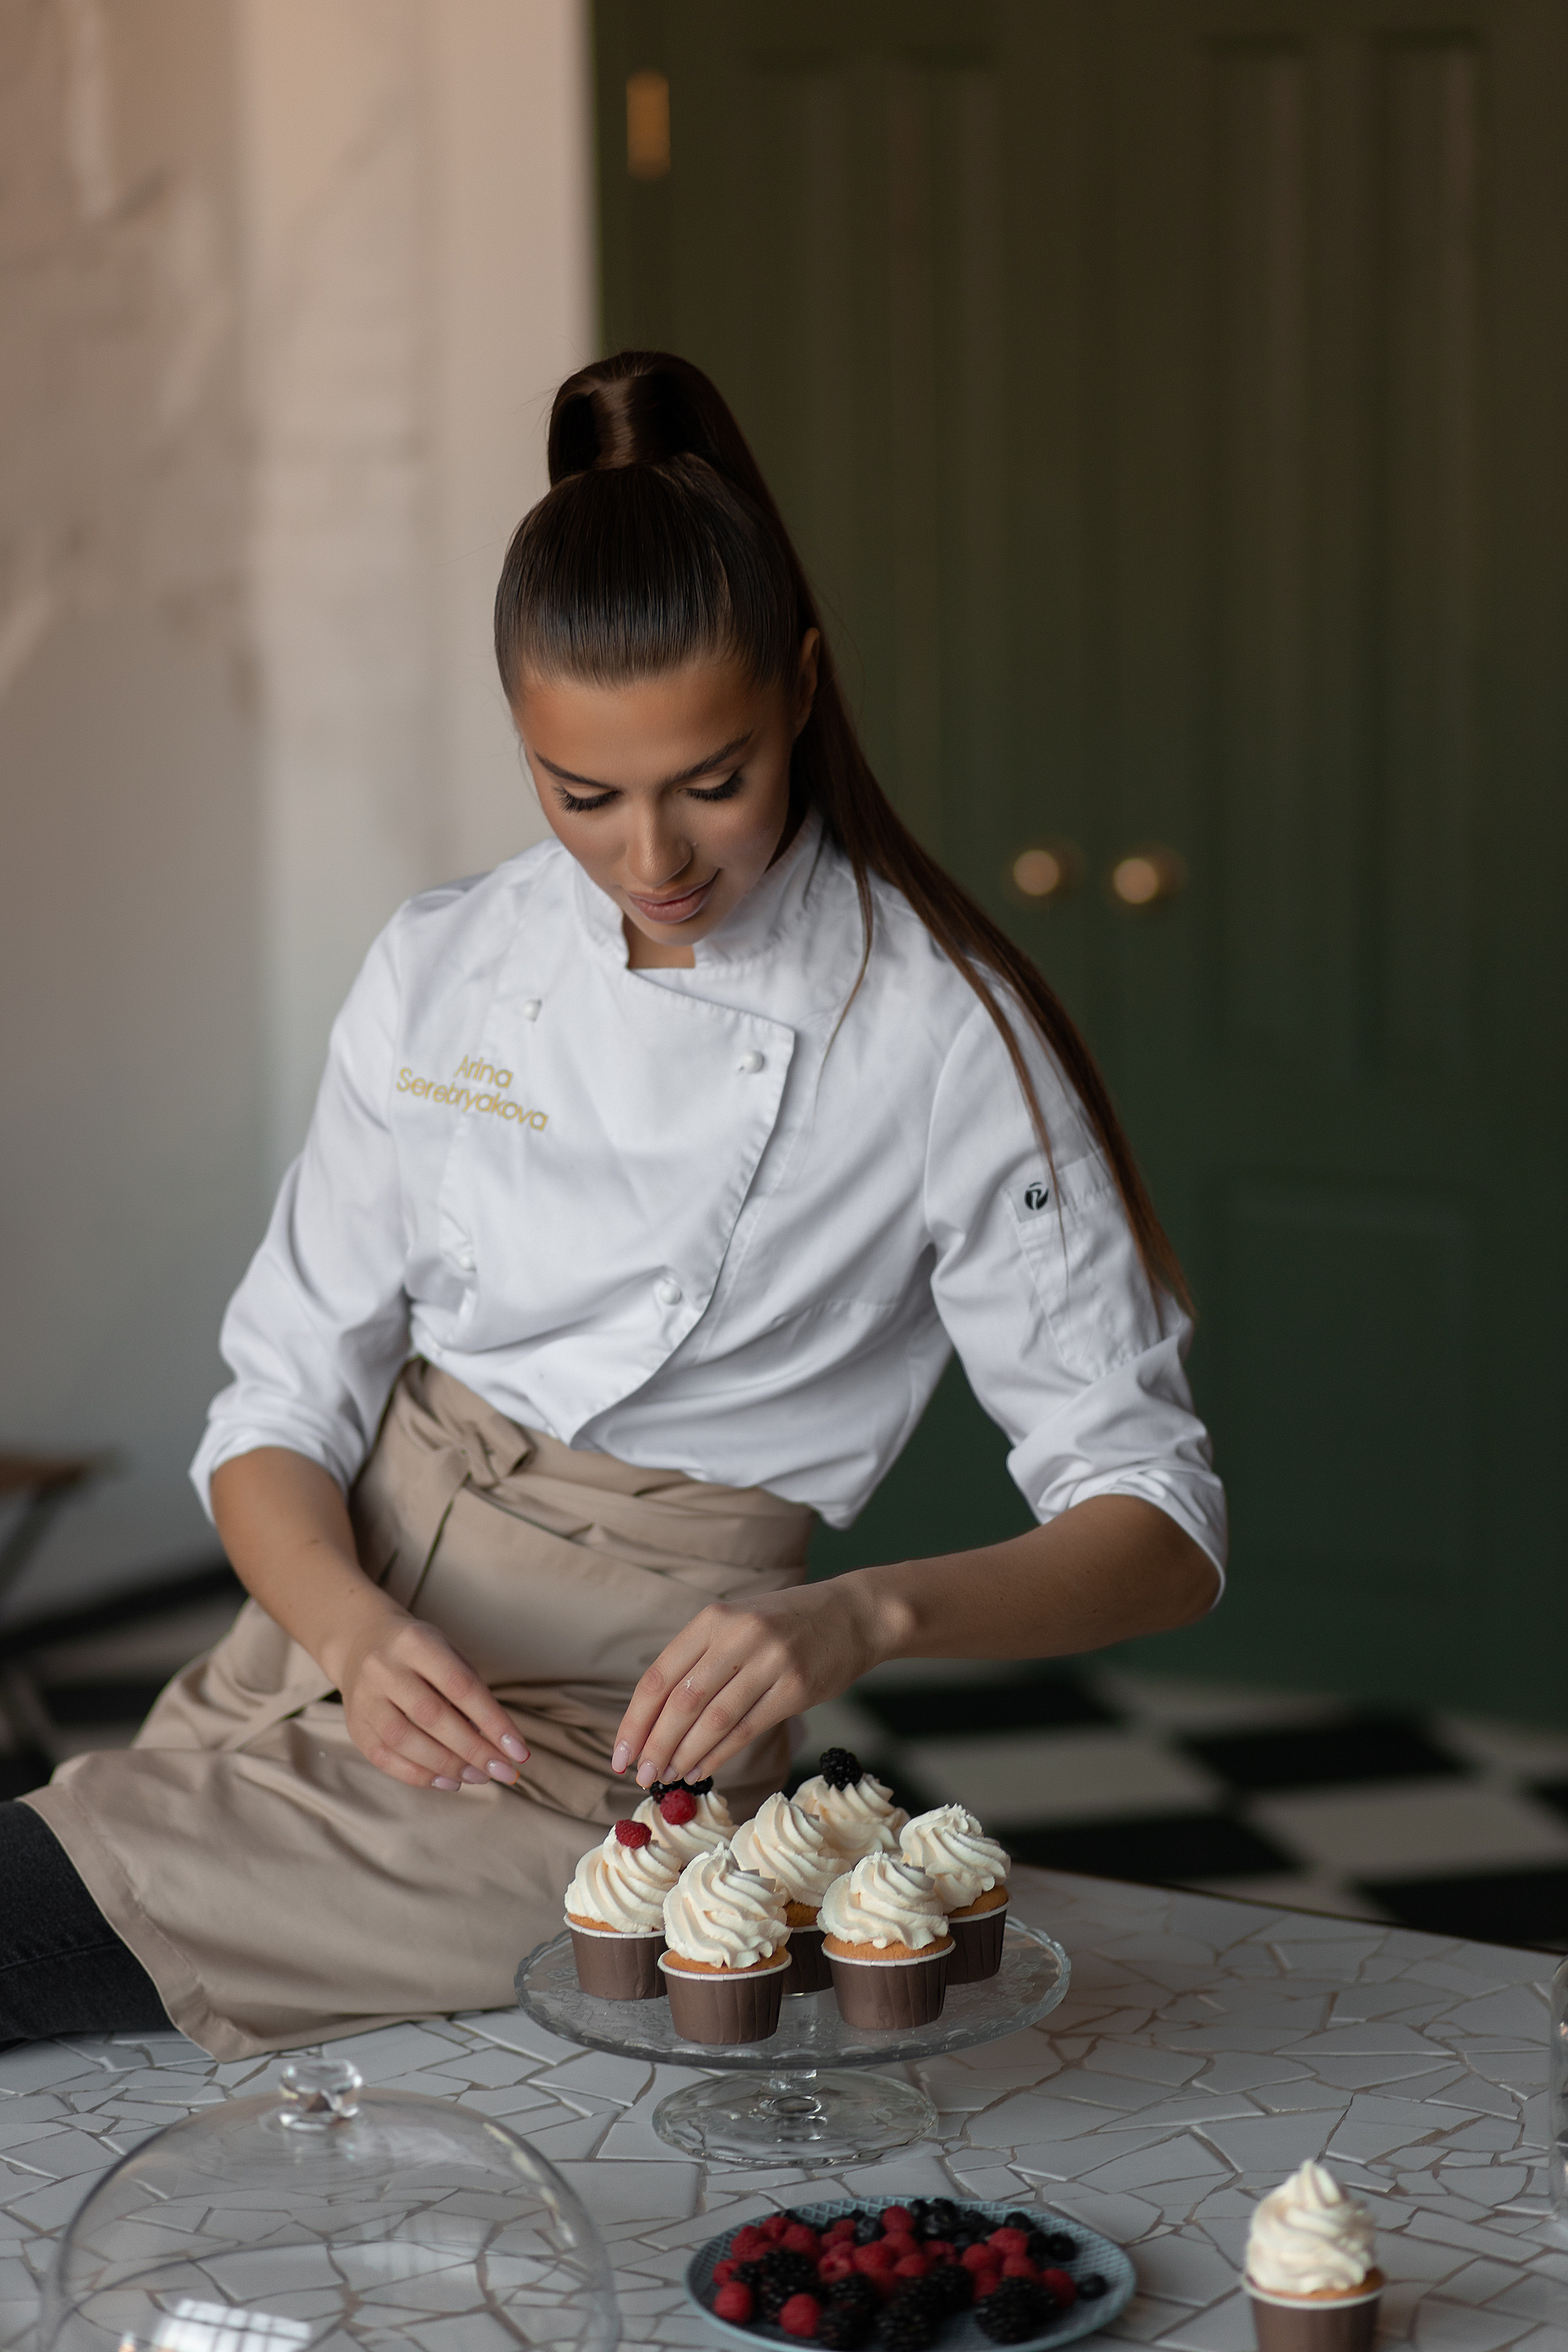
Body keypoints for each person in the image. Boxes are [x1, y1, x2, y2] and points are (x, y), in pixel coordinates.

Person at [2, 353, 1224, 2056]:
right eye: (583, 795)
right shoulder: (445, 961)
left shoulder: (946, 1034)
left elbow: (1158, 1527)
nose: (655, 858)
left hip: (595, 1761)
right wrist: (351, 1628)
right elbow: (278, 1405)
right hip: (311, 1646)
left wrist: (858, 1616)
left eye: (713, 779)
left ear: (803, 691)